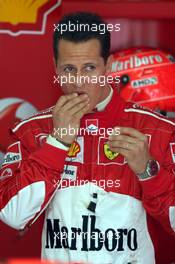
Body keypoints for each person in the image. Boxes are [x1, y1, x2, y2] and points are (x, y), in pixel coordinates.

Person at [0, 12, 175, 264]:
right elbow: (13, 215)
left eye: (90, 68)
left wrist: (149, 170)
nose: (79, 82)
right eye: (69, 69)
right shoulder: (32, 129)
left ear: (109, 66)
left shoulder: (156, 129)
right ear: (55, 67)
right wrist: (57, 143)